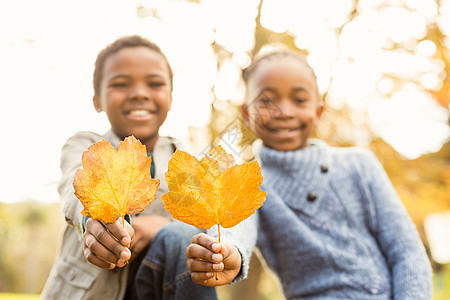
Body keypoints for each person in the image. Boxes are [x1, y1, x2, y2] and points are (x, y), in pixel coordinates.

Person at [187, 49, 434, 299]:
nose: (284, 111)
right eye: (266, 101)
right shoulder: (246, 184)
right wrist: (228, 252)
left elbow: (407, 252)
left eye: (300, 100)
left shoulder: (359, 165)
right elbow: (235, 229)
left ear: (318, 112)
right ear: (247, 114)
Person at [41, 35, 256, 300]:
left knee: (181, 235)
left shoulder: (185, 160)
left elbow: (221, 215)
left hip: (159, 288)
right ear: (97, 100)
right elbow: (75, 187)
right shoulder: (87, 146)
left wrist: (164, 225)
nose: (140, 93)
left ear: (170, 97)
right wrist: (93, 221)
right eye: (120, 84)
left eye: (154, 83)